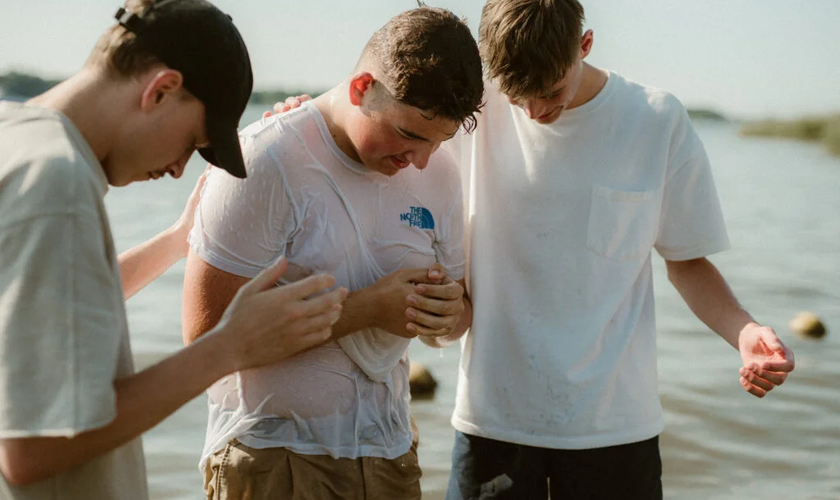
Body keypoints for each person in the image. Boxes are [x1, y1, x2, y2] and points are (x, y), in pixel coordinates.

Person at [437, 1, 797, 499]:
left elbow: (687, 260)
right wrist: (304, 123)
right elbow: (382, 129)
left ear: (584, 46)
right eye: (518, 98)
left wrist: (744, 330)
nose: (536, 112)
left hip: (616, 429)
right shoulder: (473, 109)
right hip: (492, 421)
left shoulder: (654, 119)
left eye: (550, 92)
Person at [0, 1, 346, 498]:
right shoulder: (58, 185)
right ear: (161, 89)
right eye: (192, 142)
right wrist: (229, 346)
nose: (180, 168)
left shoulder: (17, 140)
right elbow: (34, 449)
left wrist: (176, 241)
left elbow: (43, 307)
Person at [181, 6, 484, 499]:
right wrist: (366, 309)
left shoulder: (440, 173)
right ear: (363, 86)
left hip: (389, 453)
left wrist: (447, 315)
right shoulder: (266, 159)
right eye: (408, 134)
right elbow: (204, 337)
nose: (420, 161)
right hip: (271, 455)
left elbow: (453, 323)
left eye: (440, 141)